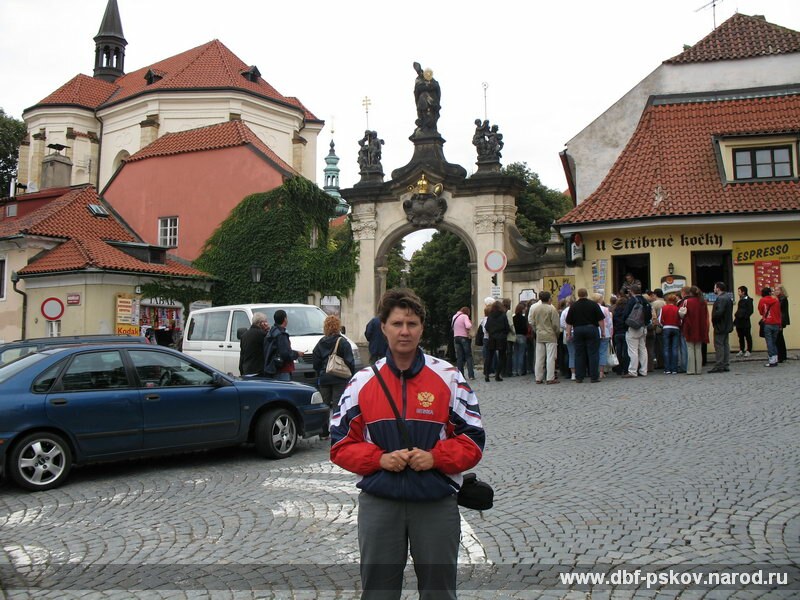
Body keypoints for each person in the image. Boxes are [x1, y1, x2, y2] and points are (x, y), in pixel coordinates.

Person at [330, 288, 485, 599]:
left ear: (421, 328)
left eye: (412, 324)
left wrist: (436, 457)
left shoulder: (450, 378)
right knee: (378, 592)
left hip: (435, 501)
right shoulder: (361, 383)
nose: (404, 331)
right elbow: (340, 444)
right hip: (381, 502)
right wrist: (379, 459)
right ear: (383, 327)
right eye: (397, 323)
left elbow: (473, 439)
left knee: (439, 592)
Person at [312, 315, 355, 440]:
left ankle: (323, 432)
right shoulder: (343, 342)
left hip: (325, 377)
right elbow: (350, 361)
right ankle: (337, 431)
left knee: (324, 405)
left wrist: (321, 370)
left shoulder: (321, 342)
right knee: (338, 405)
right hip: (339, 378)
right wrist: (350, 374)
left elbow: (316, 361)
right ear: (338, 326)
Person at [565, 288, 605, 383]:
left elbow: (568, 322)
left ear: (578, 295)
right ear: (587, 294)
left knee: (579, 354)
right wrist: (603, 331)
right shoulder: (593, 304)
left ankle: (579, 377)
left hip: (578, 330)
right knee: (593, 353)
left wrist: (568, 333)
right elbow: (600, 320)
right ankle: (594, 377)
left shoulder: (573, 306)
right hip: (591, 329)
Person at [622, 284, 652, 378]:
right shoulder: (645, 300)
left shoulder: (632, 301)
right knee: (643, 349)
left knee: (633, 350)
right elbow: (649, 315)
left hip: (633, 327)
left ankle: (632, 371)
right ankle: (643, 370)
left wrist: (625, 323)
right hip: (643, 327)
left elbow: (625, 314)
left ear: (632, 291)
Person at [263, 309, 301, 381]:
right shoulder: (281, 335)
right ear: (285, 319)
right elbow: (285, 354)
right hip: (282, 369)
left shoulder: (271, 332)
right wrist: (297, 354)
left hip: (272, 368)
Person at [532, 291, 560, 384]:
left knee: (539, 358)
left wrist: (536, 330)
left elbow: (532, 322)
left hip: (540, 335)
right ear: (549, 299)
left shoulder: (536, 309)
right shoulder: (552, 309)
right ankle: (550, 377)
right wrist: (557, 334)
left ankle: (538, 378)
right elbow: (556, 325)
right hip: (550, 335)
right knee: (550, 357)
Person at [680, 286, 709, 375]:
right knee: (698, 349)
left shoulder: (687, 302)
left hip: (689, 327)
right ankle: (699, 369)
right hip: (700, 327)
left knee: (690, 349)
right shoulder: (703, 302)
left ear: (690, 293)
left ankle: (691, 370)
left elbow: (682, 314)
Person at [709, 282, 734, 373]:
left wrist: (714, 320)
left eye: (715, 288)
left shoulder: (721, 299)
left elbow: (719, 313)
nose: (714, 289)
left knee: (719, 345)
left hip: (720, 325)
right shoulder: (728, 297)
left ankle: (719, 364)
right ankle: (725, 364)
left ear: (718, 288)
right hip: (726, 325)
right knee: (725, 345)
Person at [484, 301, 510, 382]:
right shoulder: (503, 315)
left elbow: (486, 327)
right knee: (501, 357)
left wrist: (492, 332)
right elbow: (507, 327)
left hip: (492, 338)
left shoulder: (490, 316)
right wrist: (504, 333)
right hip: (501, 338)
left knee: (490, 357)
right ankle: (497, 375)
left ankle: (487, 375)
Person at [239, 312, 269, 376]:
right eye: (266, 322)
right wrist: (267, 329)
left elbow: (242, 355)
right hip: (259, 371)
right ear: (261, 323)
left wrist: (242, 371)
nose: (267, 324)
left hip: (246, 370)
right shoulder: (263, 335)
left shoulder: (244, 336)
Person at [758, 287, 782, 368]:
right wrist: (780, 324)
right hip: (776, 323)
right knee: (774, 342)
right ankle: (775, 359)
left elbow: (761, 311)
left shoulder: (762, 300)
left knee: (769, 342)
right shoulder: (776, 300)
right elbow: (779, 313)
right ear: (769, 293)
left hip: (768, 323)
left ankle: (771, 360)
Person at [451, 306, 475, 380]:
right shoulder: (464, 316)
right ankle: (471, 375)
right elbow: (468, 326)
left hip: (456, 337)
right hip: (464, 338)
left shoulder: (454, 316)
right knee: (468, 356)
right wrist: (470, 323)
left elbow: (452, 327)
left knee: (459, 357)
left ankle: (460, 376)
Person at [659, 294, 681, 374]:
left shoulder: (663, 308)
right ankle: (674, 369)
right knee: (674, 349)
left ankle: (667, 369)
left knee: (666, 348)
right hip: (676, 328)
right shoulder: (677, 308)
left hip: (666, 328)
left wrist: (663, 325)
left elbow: (660, 320)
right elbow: (680, 320)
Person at [611, 292, 630, 376]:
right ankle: (626, 369)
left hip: (617, 333)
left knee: (618, 351)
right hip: (625, 332)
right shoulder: (627, 311)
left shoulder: (615, 312)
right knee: (626, 352)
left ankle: (619, 369)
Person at [734, 286, 754, 357]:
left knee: (747, 336)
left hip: (745, 322)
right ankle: (741, 350)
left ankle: (749, 350)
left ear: (743, 292)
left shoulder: (748, 300)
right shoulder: (740, 300)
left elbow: (750, 311)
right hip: (739, 322)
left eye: (739, 291)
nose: (738, 293)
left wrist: (744, 317)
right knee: (740, 336)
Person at [512, 302, 529, 377]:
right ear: (522, 310)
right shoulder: (523, 318)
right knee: (521, 354)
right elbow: (525, 328)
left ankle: (514, 370)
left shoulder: (513, 318)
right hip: (522, 336)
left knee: (515, 354)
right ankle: (520, 370)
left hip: (515, 336)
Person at [775, 284, 790, 363]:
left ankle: (781, 356)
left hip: (781, 320)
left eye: (777, 290)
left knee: (779, 338)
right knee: (779, 337)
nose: (775, 291)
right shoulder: (779, 298)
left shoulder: (782, 299)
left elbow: (779, 309)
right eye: (775, 290)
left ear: (781, 291)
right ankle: (782, 355)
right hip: (780, 319)